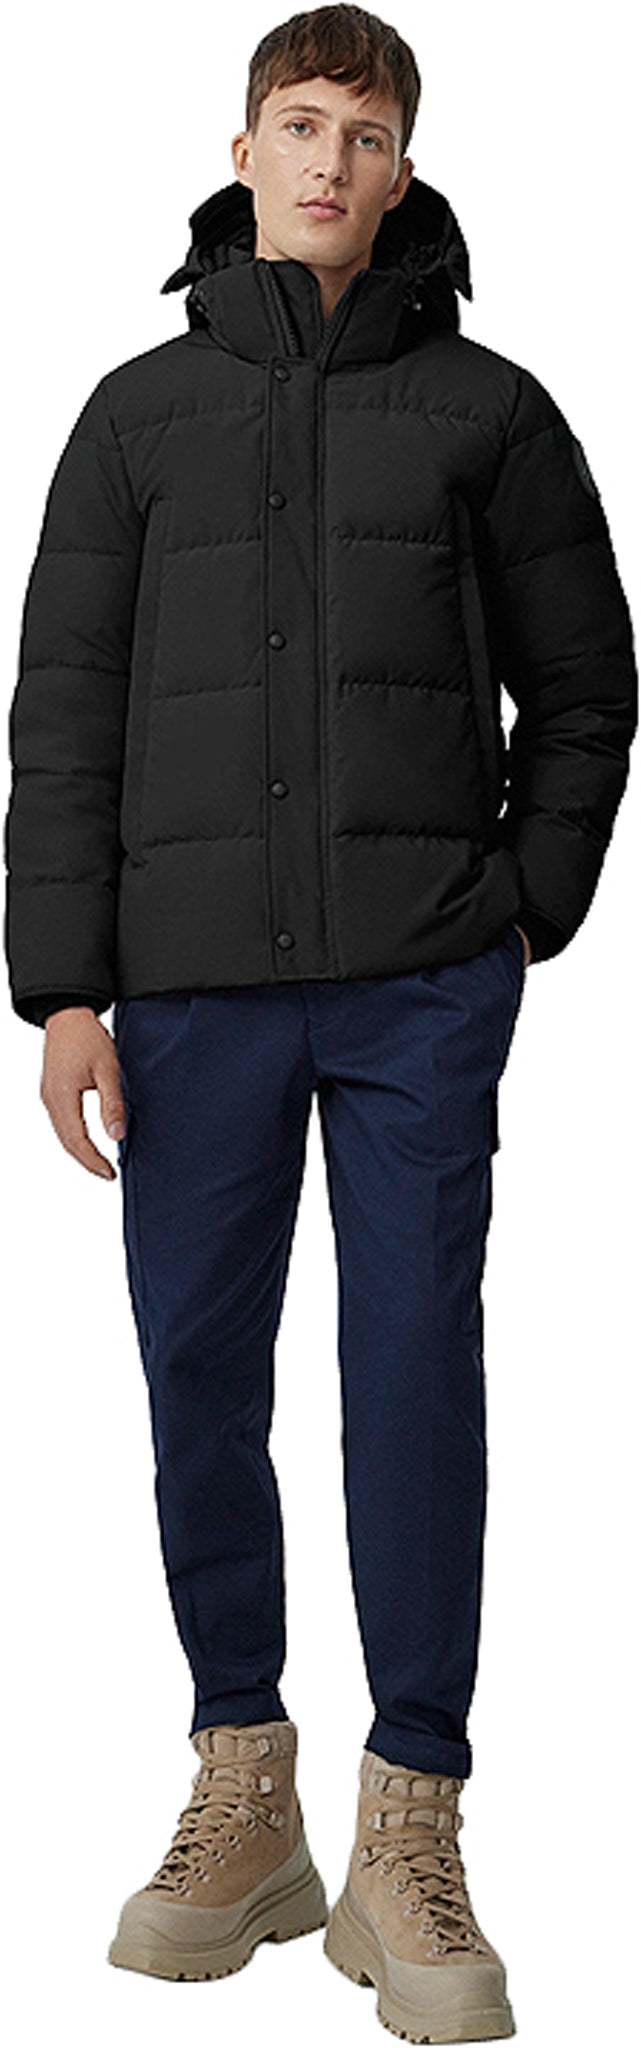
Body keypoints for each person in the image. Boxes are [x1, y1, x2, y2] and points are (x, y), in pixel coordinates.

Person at [3, 4, 637, 2037]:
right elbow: (63, 714)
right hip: (188, 988)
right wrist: (65, 986)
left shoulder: (491, 412)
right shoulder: (133, 417)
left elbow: (587, 684)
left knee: (412, 1374)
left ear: (403, 165)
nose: (330, 162)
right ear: (244, 150)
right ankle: (243, 1787)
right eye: (300, 124)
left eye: (366, 133)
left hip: (418, 986)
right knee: (198, 1372)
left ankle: (410, 1826)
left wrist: (520, 907)